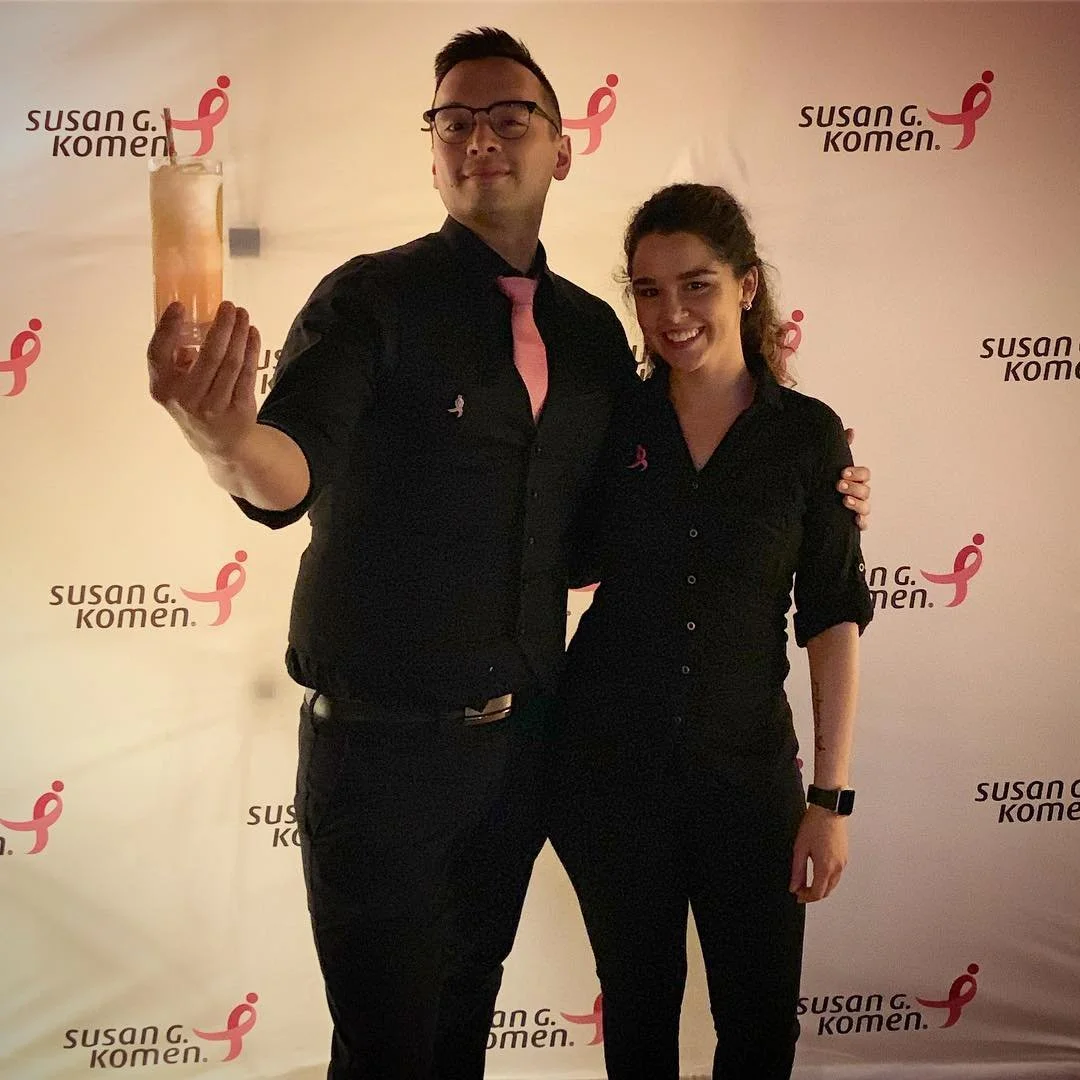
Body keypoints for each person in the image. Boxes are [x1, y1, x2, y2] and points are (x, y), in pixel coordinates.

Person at [145, 30, 872, 1080]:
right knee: (391, 1051)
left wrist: (825, 488)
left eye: (509, 117)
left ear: (561, 149)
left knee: (465, 1026)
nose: (480, 137)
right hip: (384, 755)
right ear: (434, 151)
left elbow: (619, 521)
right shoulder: (370, 301)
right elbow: (287, 468)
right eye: (455, 121)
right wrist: (222, 440)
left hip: (524, 755)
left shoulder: (592, 339)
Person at [549, 183, 874, 1080]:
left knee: (761, 1030)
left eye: (696, 284)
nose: (672, 313)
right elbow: (564, 557)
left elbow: (832, 618)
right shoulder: (613, 420)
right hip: (608, 772)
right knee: (639, 1021)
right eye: (648, 291)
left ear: (747, 285)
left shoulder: (808, 438)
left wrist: (830, 800)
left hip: (748, 777)